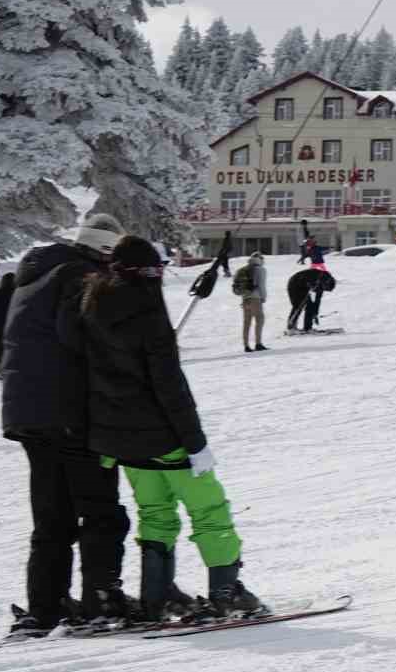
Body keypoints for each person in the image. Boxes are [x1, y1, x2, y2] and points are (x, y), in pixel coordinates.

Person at [72, 237, 264, 620]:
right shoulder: (147, 311)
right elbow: (169, 386)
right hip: (163, 437)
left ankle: (155, 597)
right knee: (209, 510)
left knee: (155, 512)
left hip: (121, 439)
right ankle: (226, 591)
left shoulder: (92, 305)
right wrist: (195, 444)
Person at [0, 214, 133, 635]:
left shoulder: (35, 275)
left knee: (52, 516)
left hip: (27, 412)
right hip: (70, 410)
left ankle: (46, 606)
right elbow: (82, 339)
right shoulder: (81, 276)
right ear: (106, 250)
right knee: (100, 512)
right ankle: (101, 602)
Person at [231, 252, 268, 353]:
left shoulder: (244, 269)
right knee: (259, 320)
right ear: (260, 259)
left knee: (246, 322)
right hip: (256, 298)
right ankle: (258, 343)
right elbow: (261, 285)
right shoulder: (260, 270)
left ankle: (246, 345)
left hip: (245, 298)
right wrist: (263, 297)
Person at [285, 266, 334, 334]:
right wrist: (310, 285)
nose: (323, 290)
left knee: (310, 306)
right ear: (326, 284)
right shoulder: (317, 276)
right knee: (298, 305)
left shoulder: (322, 283)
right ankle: (291, 327)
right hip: (294, 284)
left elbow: (317, 300)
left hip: (304, 287)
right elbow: (305, 281)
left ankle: (307, 327)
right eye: (325, 289)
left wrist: (315, 313)